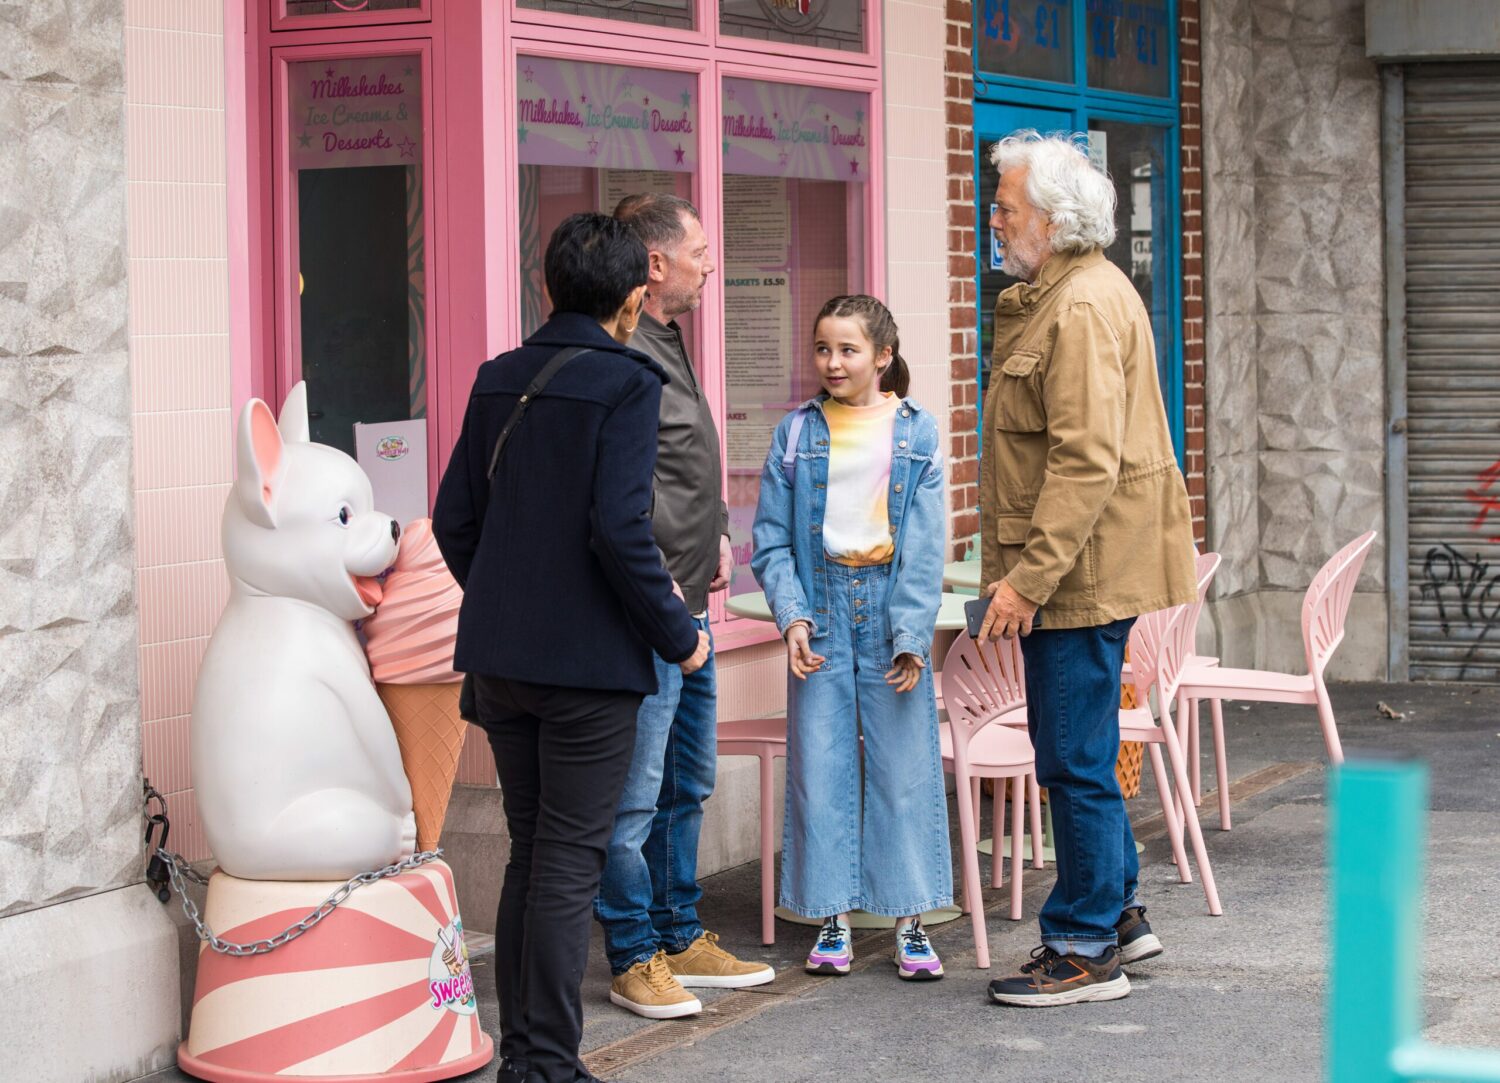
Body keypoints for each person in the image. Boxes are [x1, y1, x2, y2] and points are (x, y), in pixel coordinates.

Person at [432, 213, 711, 1083]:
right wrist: (682, 637)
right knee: (565, 860)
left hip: (501, 660)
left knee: (531, 851)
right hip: (587, 668)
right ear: (634, 297)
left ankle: (527, 1055)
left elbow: (453, 522)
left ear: (549, 287)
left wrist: (511, 600)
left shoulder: (494, 377)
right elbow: (621, 531)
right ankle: (547, 1065)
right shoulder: (627, 382)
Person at [975, 131, 1196, 1007]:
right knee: (1084, 752)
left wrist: (1028, 578)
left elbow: (1084, 460)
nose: (995, 220)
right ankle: (1121, 913)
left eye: (1006, 207)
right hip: (1086, 567)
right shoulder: (1066, 294)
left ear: (1056, 222)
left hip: (1078, 576)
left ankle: (1082, 943)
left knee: (1070, 757)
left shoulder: (1079, 305)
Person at [596, 193, 775, 1020]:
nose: (712, 261)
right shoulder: (621, 347)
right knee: (634, 793)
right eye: (700, 249)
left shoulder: (669, 338)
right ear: (655, 263)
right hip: (649, 612)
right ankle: (632, 953)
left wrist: (717, 540)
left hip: (694, 605)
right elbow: (614, 492)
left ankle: (678, 932)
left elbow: (680, 465)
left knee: (686, 781)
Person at [751, 294, 953, 982]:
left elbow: (925, 548)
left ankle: (910, 922)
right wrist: (794, 616)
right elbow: (771, 538)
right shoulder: (796, 433)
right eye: (823, 349)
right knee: (820, 770)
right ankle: (831, 917)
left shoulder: (916, 432)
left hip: (889, 602)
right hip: (824, 605)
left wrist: (911, 635)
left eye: (848, 349)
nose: (833, 362)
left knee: (904, 769)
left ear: (883, 357)